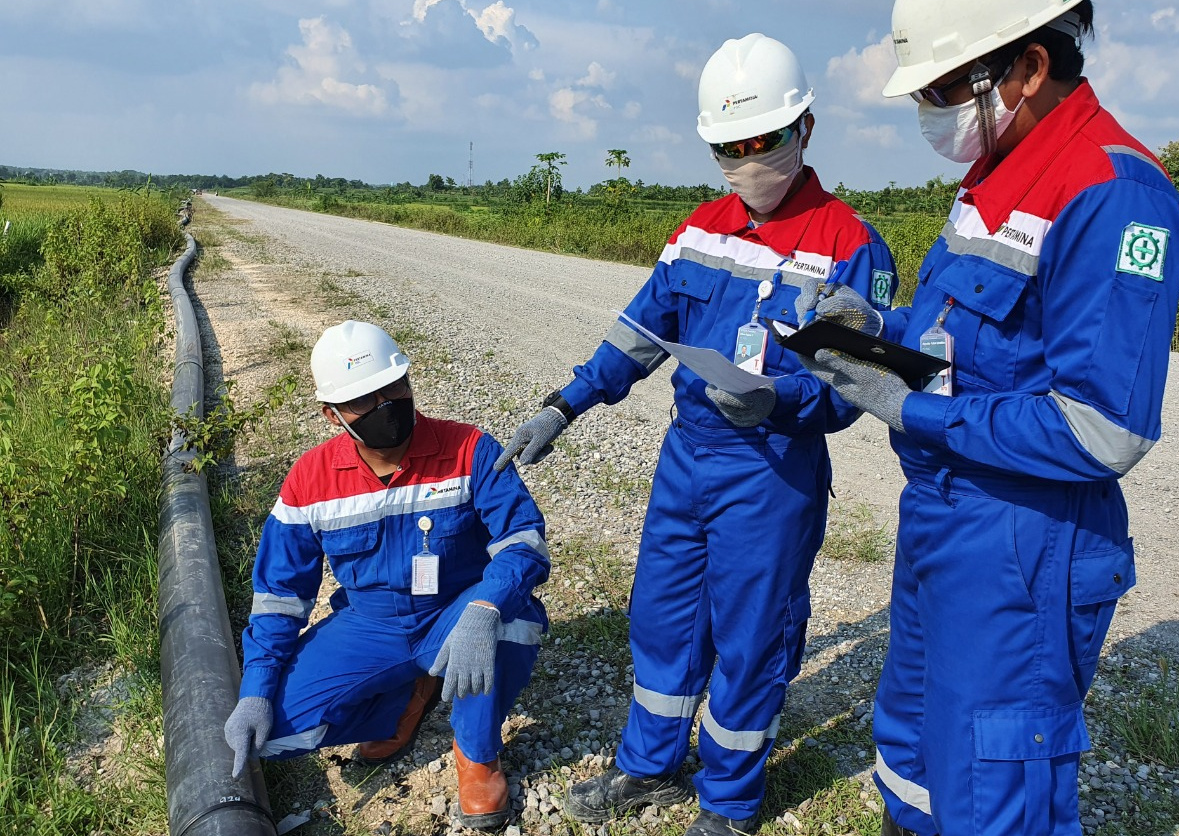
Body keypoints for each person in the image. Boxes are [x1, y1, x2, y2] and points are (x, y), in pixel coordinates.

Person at [800, 2, 1179, 834]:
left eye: (945, 87)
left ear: (1029, 68)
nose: (930, 111)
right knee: (912, 748)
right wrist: (877, 333)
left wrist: (914, 410)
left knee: (993, 786)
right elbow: (962, 339)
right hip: (944, 517)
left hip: (1027, 544)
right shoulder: (995, 177)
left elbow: (1101, 429)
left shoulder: (1114, 193)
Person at [496, 33, 898, 836]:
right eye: (728, 148)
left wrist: (784, 402)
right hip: (689, 459)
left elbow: (863, 386)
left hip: (772, 471)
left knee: (753, 634)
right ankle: (648, 767)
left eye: (762, 142)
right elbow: (640, 334)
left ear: (805, 129)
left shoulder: (850, 247)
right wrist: (564, 405)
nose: (747, 161)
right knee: (663, 617)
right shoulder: (699, 232)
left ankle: (730, 801)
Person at [223, 320, 550, 831]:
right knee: (272, 733)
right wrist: (255, 690)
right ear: (332, 414)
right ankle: (404, 699)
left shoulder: (469, 449)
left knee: (506, 622)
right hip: (371, 626)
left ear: (409, 380)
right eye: (363, 401)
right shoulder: (309, 481)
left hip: (456, 610)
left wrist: (484, 608)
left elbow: (524, 540)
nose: (385, 406)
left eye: (392, 388)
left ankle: (477, 753)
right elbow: (279, 596)